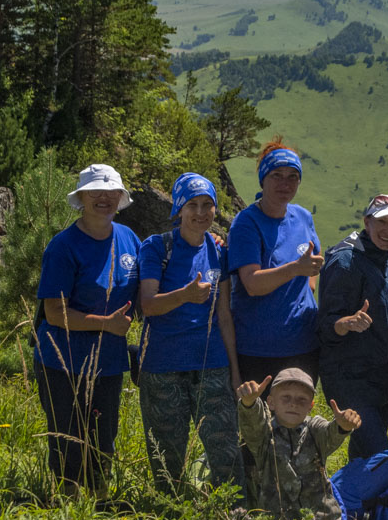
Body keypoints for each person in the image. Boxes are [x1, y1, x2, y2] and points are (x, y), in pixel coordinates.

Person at [32, 163, 141, 497]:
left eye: (111, 192)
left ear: (120, 197)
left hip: (108, 362)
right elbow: (53, 313)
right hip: (62, 362)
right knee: (69, 441)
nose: (103, 198)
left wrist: (210, 241)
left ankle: (99, 503)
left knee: (103, 438)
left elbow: (156, 273)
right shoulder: (63, 247)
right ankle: (67, 505)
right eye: (95, 192)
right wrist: (106, 325)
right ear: (81, 198)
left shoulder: (129, 239)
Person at [135, 172, 243, 496]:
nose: (200, 212)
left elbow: (224, 316)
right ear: (179, 209)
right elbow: (148, 305)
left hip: (212, 364)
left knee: (226, 450)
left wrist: (235, 372)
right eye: (192, 205)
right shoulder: (157, 248)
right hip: (163, 366)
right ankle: (170, 515)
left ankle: (233, 513)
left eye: (207, 205)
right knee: (167, 459)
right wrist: (184, 295)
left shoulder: (218, 252)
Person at [236, 368, 366, 520]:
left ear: (311, 406)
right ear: (271, 402)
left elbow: (330, 433)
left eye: (301, 399)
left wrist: (342, 426)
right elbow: (252, 424)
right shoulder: (264, 436)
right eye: (285, 398)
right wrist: (249, 404)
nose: (293, 404)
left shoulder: (314, 429)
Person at [318, 194, 388, 460]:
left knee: (364, 461)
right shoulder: (346, 262)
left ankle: (354, 502)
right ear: (367, 222)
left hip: (382, 384)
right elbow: (324, 326)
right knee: (382, 458)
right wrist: (345, 323)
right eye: (382, 221)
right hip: (350, 381)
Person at [228, 139, 325, 383]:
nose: (285, 183)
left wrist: (307, 282)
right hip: (258, 349)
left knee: (297, 420)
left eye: (293, 176)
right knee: (260, 421)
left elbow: (314, 262)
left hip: (303, 344)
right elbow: (251, 283)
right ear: (263, 179)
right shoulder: (247, 223)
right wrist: (295, 270)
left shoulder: (303, 217)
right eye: (277, 175)